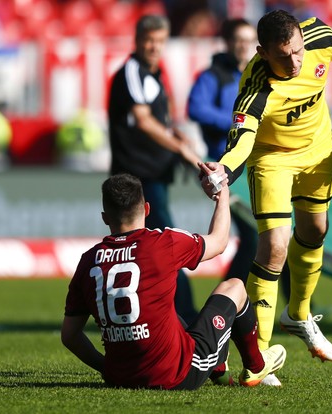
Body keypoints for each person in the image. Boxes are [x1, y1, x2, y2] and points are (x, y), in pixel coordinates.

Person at [199, 10, 332, 386]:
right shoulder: (254, 86)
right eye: (283, 56)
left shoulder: (318, 36)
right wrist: (223, 170)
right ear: (262, 52)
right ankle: (261, 354)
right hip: (271, 158)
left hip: (316, 149)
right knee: (274, 247)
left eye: (298, 52)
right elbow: (241, 141)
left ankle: (298, 315)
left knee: (316, 231)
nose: (295, 62)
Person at [61, 172, 286, 389]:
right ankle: (256, 366)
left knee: (164, 308)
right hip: (178, 374)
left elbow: (70, 336)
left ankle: (217, 367)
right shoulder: (163, 243)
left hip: (119, 376)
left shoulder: (89, 260)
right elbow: (219, 241)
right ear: (147, 209)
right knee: (234, 286)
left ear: (104, 217)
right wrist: (223, 195)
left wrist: (106, 368)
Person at [188, 18, 295, 290]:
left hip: (261, 165)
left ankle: (297, 304)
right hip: (228, 171)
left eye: (248, 40)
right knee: (254, 236)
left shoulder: (259, 73)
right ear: (227, 42)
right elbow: (195, 108)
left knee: (275, 233)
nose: (243, 45)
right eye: (239, 39)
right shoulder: (214, 76)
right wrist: (240, 121)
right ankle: (224, 301)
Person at [107, 15, 201, 324]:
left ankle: (149, 313)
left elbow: (158, 122)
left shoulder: (152, 74)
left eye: (160, 41)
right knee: (165, 244)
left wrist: (176, 135)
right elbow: (144, 120)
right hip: (137, 178)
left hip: (151, 174)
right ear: (136, 40)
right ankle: (184, 314)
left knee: (144, 248)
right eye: (149, 40)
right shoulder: (132, 72)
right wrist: (181, 149)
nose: (154, 47)